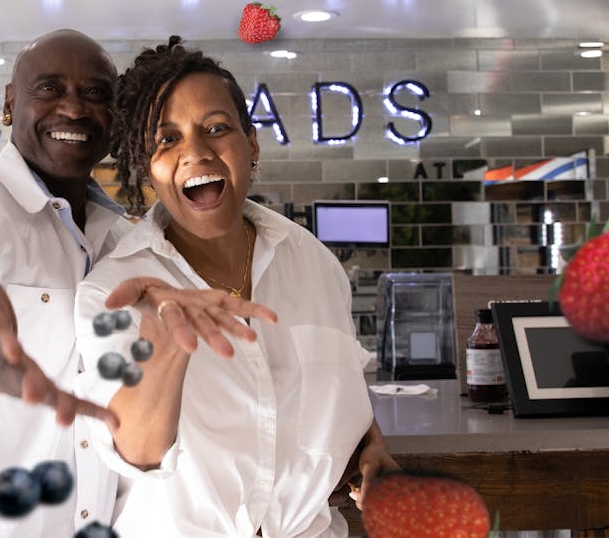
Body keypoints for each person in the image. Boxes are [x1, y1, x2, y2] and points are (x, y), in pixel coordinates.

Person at [0, 29, 272, 537]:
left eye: (96, 93)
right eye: (49, 88)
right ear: (11, 104)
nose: (74, 109)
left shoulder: (128, 243)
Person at [74, 36, 398, 537]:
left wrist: (367, 446)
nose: (195, 151)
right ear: (148, 168)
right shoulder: (116, 288)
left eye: (216, 129)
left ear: (251, 143)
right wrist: (166, 350)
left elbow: (331, 383)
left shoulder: (313, 262)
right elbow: (134, 454)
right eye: (167, 139)